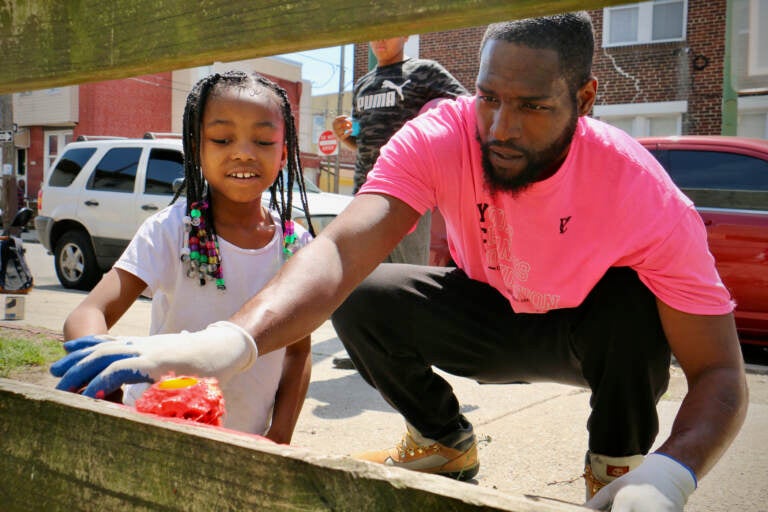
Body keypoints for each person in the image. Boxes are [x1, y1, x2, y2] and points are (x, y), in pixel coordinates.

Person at [50, 13, 748, 511]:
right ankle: (445, 440)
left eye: (532, 107)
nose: (500, 129)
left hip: (590, 334)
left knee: (632, 304)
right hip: (489, 314)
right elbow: (339, 248)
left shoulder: (641, 193)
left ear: (586, 98)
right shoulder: (444, 133)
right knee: (359, 292)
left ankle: (620, 471)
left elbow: (720, 372)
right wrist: (229, 339)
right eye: (490, 98)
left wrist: (673, 475)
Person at [52, 70, 315, 444]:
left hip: (246, 441)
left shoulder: (297, 246)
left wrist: (281, 434)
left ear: (284, 152)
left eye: (263, 140)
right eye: (222, 139)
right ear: (195, 148)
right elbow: (87, 313)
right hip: (156, 429)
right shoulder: (171, 230)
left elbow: (298, 352)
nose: (243, 152)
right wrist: (106, 388)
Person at [332, 36, 467, 265]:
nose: (380, 38)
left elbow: (465, 107)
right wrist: (345, 136)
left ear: (406, 34)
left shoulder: (424, 71)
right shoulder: (362, 85)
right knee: (371, 277)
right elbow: (364, 142)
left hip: (408, 194)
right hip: (366, 194)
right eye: (374, 32)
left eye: (390, 31)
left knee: (409, 272)